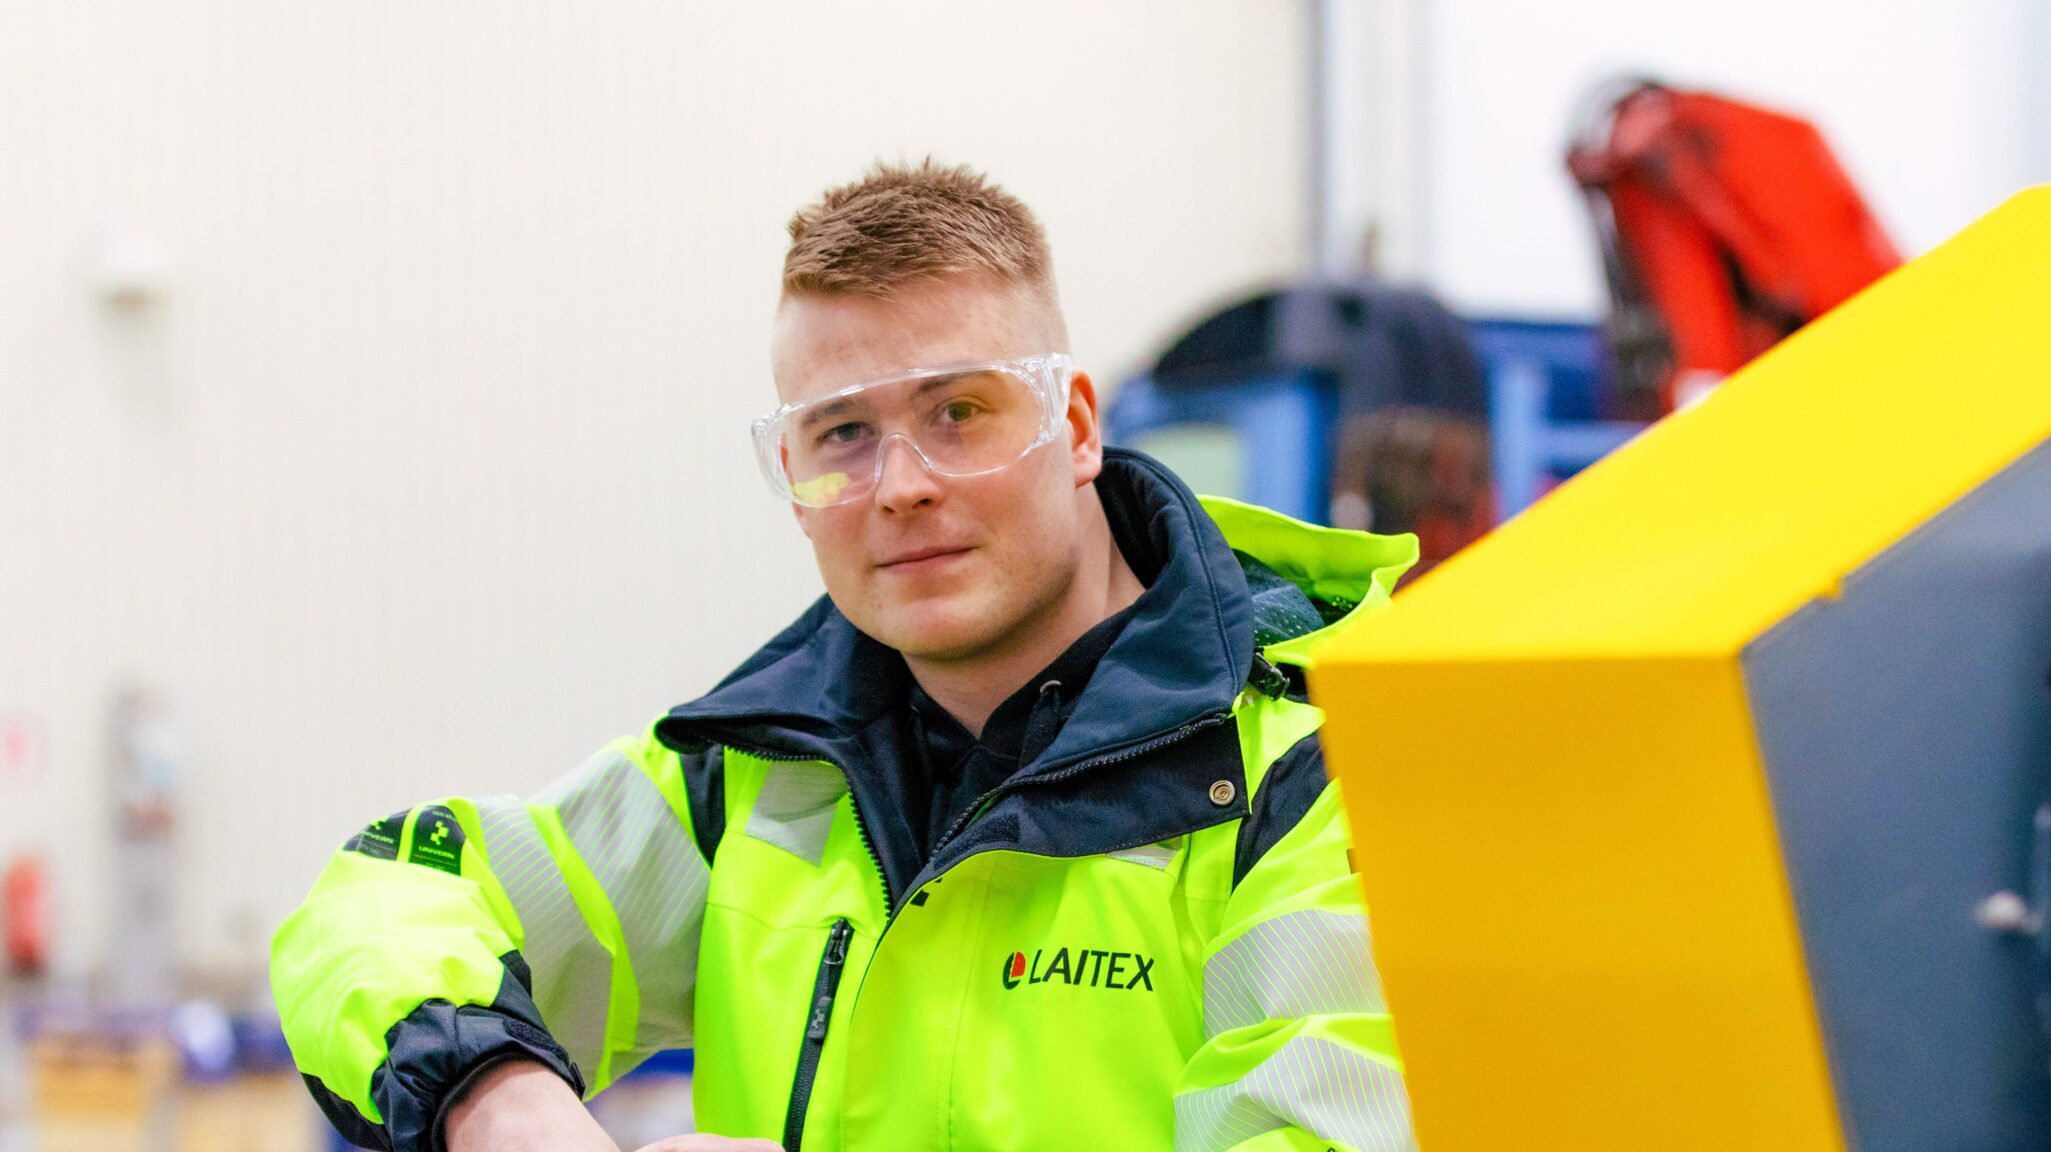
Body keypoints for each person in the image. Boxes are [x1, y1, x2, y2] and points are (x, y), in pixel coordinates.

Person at [270, 162, 1420, 1152]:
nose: (902, 485)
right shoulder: (753, 783)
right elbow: (387, 898)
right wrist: (502, 1102)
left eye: (959, 412)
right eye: (842, 434)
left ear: (1074, 426)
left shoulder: (1316, 778)